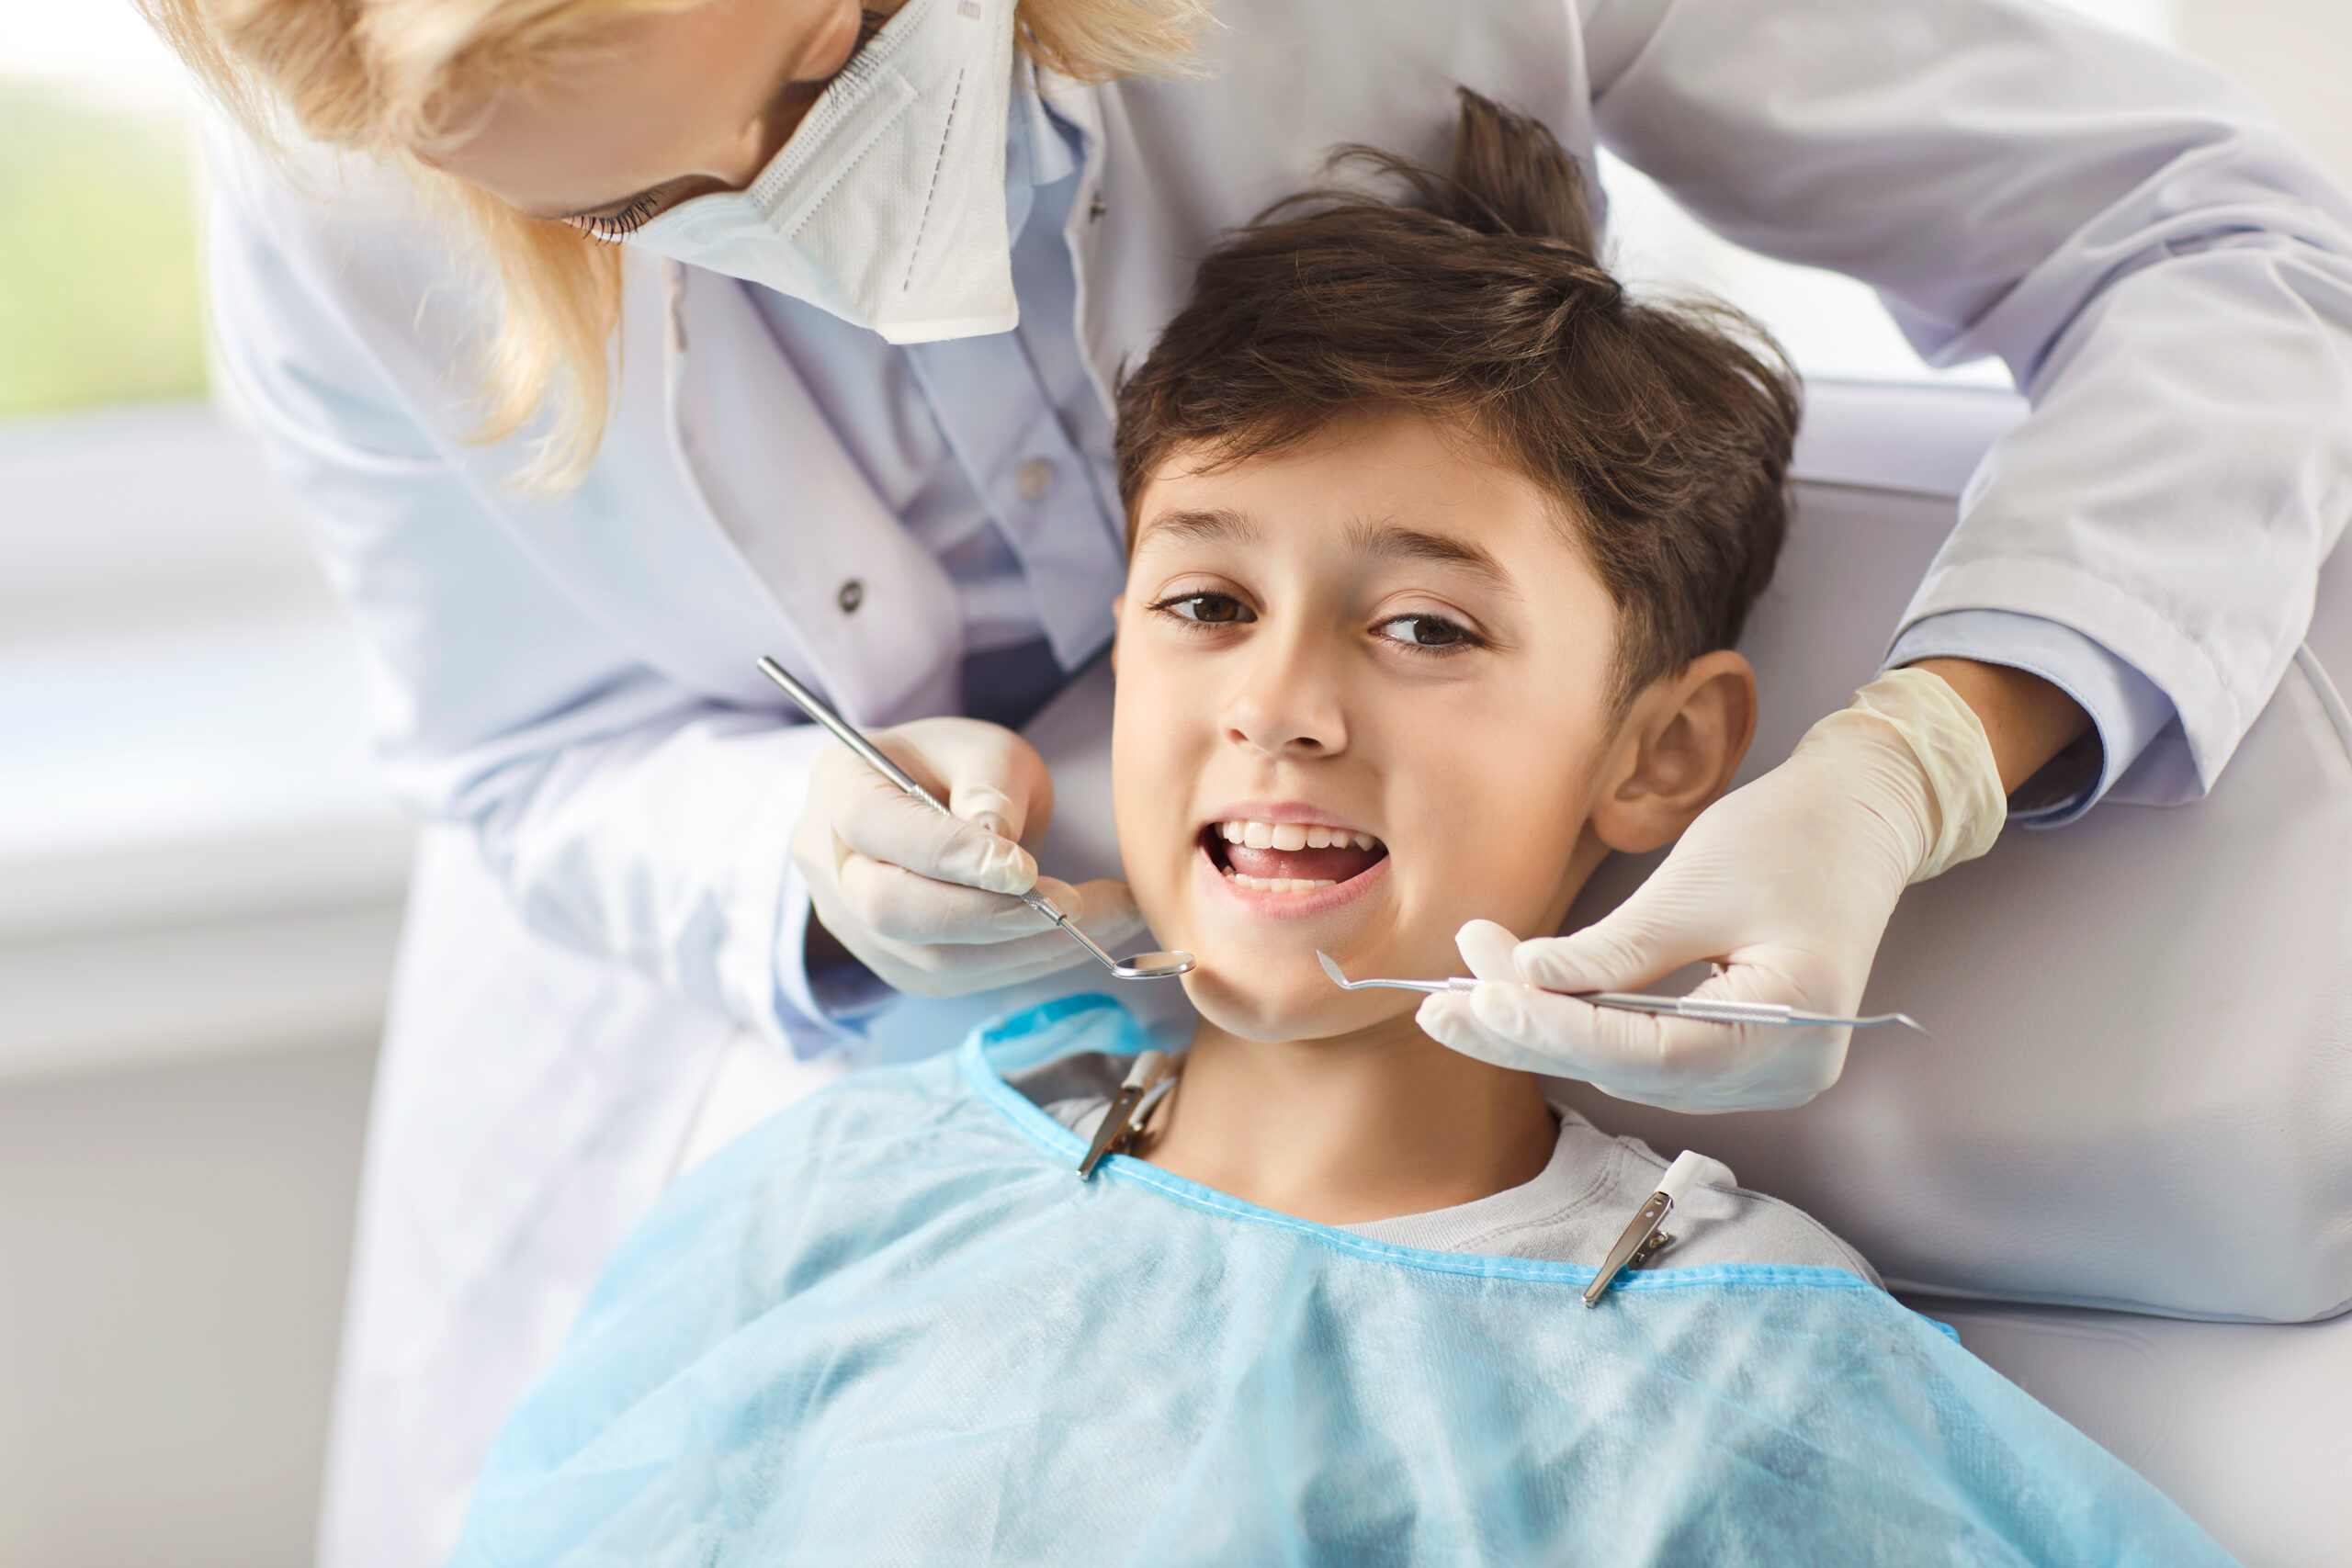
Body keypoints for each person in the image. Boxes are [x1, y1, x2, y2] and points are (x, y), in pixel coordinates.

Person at [134, 0, 2352, 1559]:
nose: (1274, 705)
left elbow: (2220, 255)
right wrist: (795, 845)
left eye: (820, 68)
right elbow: (529, 748)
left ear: (1667, 751)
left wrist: (1923, 756)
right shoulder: (835, 1218)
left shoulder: (1734, 1400)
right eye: (636, 209)